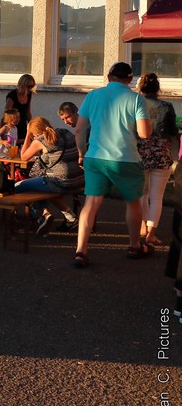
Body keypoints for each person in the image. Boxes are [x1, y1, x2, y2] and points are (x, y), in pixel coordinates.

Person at [73, 62, 152, 268]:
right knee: (133, 202)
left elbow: (79, 130)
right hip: (126, 158)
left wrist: (82, 154)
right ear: (130, 79)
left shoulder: (92, 95)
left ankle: (81, 251)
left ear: (109, 77)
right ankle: (134, 246)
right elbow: (144, 133)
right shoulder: (136, 99)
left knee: (91, 202)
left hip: (95, 157)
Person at [16, 117, 83, 234]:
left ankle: (42, 215)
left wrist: (27, 134)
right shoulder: (65, 132)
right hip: (79, 180)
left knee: (19, 186)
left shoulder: (40, 140)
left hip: (60, 183)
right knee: (41, 187)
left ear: (35, 132)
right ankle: (69, 218)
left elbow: (24, 157)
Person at [137, 73, 178, 246]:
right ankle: (151, 234)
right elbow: (173, 131)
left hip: (140, 152)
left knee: (142, 193)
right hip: (161, 152)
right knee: (157, 197)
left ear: (141, 88)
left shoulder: (135, 104)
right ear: (158, 89)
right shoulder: (166, 106)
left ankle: (141, 227)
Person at [5, 74, 36, 145]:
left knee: (24, 143)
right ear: (23, 85)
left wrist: (32, 125)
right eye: (29, 86)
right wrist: (9, 126)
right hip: (13, 124)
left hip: (23, 124)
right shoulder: (12, 95)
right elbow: (7, 112)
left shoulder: (29, 94)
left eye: (32, 86)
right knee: (13, 144)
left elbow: (28, 111)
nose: (30, 89)